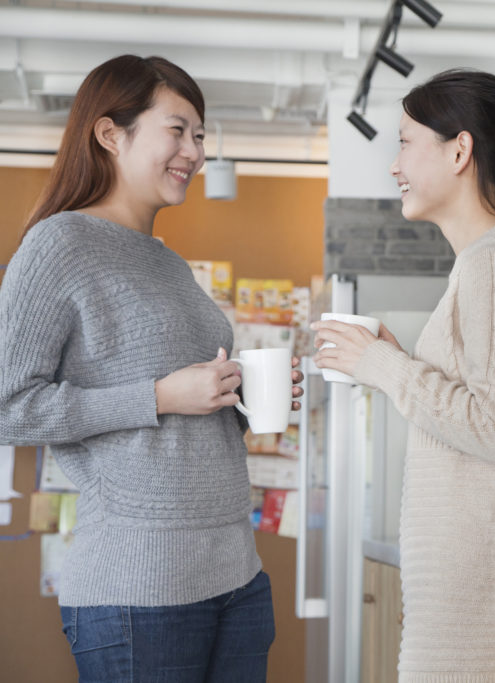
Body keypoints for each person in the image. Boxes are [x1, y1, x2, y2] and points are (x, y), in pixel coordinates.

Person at [0, 55, 302, 682]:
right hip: (141, 587)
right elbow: (8, 405)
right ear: (112, 134)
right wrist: (159, 395)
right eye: (179, 129)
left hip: (237, 576)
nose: (194, 151)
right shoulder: (59, 245)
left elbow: (184, 424)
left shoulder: (167, 263)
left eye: (199, 134)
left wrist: (239, 397)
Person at [312, 69, 495, 682]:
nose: (394, 164)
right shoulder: (490, 262)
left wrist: (384, 366)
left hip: (479, 595)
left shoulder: (494, 265)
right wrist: (406, 364)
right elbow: (484, 411)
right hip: (468, 591)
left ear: (459, 150)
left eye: (404, 142)